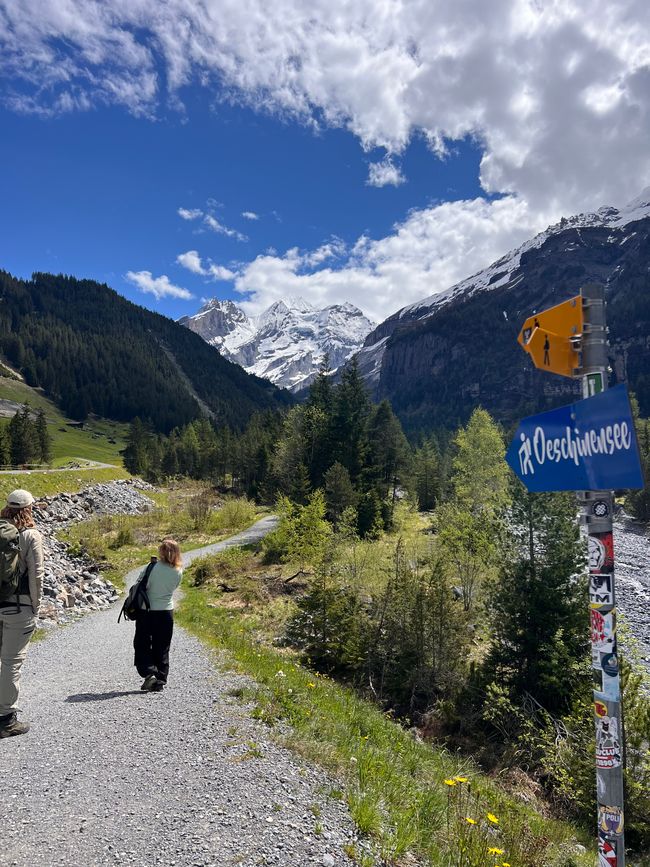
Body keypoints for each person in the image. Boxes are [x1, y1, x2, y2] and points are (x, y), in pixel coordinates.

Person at [0, 489, 44, 738]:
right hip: (19, 607)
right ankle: (6, 720)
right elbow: (36, 575)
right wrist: (35, 607)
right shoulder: (30, 535)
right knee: (11, 663)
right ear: (29, 508)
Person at [133, 538, 182, 692]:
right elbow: (173, 588)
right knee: (162, 646)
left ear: (161, 551)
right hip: (166, 611)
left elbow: (140, 584)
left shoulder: (151, 567)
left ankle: (149, 672)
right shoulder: (179, 570)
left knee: (142, 643)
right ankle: (160, 678)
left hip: (147, 610)